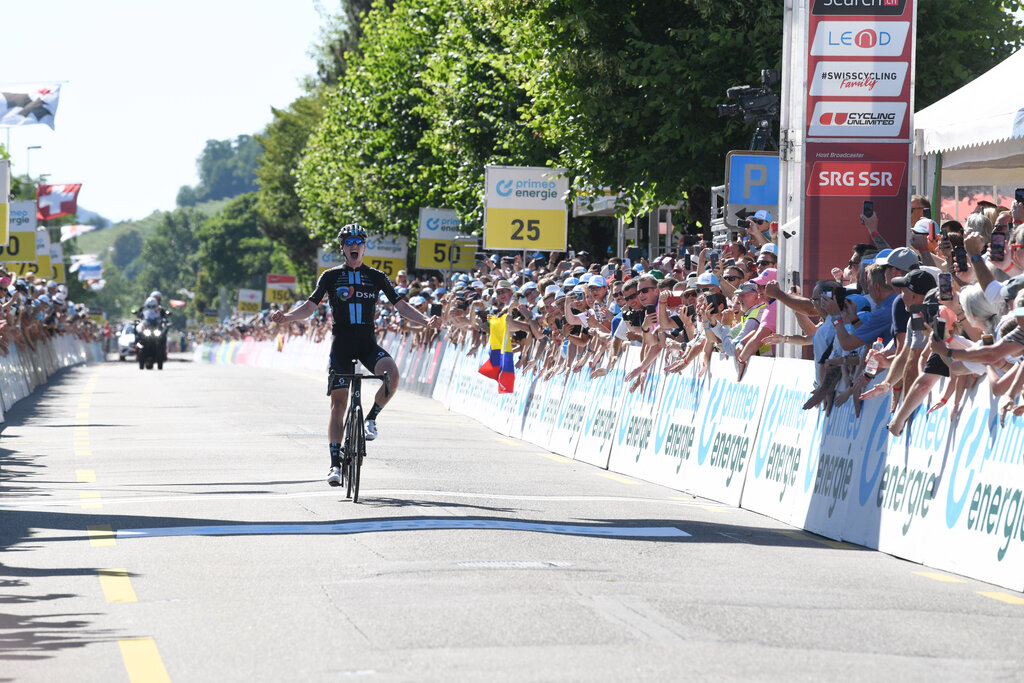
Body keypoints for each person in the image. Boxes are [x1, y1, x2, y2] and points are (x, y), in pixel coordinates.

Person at [271, 223, 441, 487]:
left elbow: (401, 306)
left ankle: (371, 418)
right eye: (348, 241)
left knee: (392, 375)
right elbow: (310, 306)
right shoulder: (330, 276)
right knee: (338, 404)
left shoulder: (376, 276)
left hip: (366, 343)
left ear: (364, 246)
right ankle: (334, 464)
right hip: (341, 345)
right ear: (342, 247)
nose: (353, 245)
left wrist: (425, 321)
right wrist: (288, 317)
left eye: (358, 241)